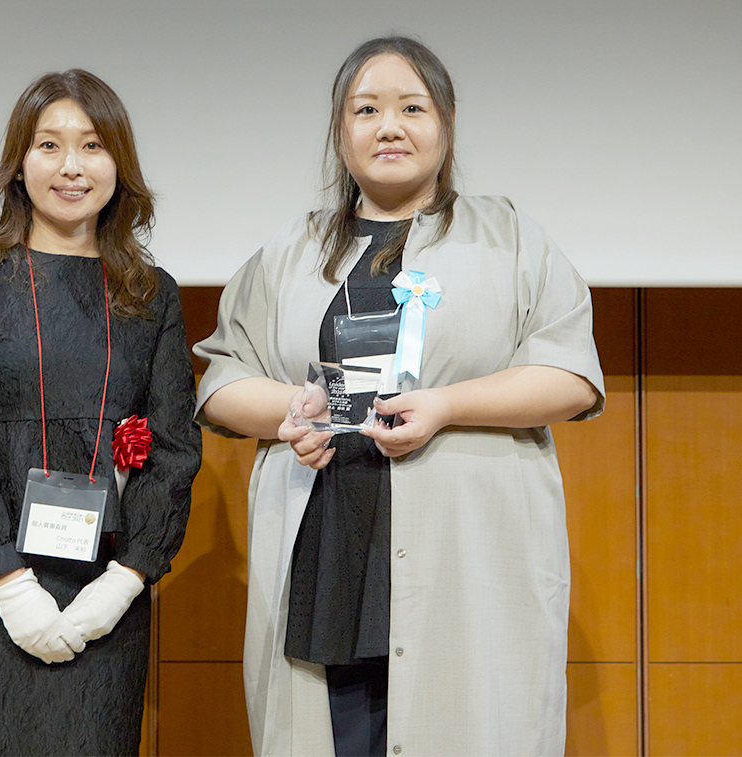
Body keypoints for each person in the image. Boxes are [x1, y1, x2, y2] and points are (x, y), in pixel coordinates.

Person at [194, 36, 604, 757]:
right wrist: (293, 409)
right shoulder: (290, 252)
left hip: (465, 549)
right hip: (331, 545)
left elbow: (570, 376)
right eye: (367, 110)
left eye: (412, 108)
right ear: (340, 130)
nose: (389, 127)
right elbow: (223, 381)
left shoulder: (509, 239)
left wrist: (446, 406)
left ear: (446, 122)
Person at [0, 68, 202, 756]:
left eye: (92, 146)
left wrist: (124, 583)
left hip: (101, 596)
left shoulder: (151, 294)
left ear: (119, 165)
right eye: (49, 145)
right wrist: (10, 585)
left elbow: (175, 445)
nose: (71, 167)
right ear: (19, 163)